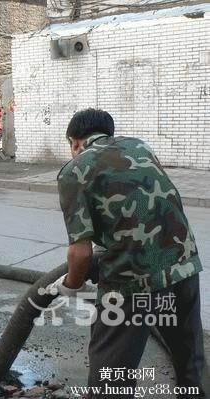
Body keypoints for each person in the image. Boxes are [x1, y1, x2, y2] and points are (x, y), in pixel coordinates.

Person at [50, 108, 206, 397]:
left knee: (111, 379)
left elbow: (81, 253)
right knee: (190, 362)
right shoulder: (140, 145)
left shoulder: (74, 170)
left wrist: (71, 285)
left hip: (132, 285)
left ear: (74, 141)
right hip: (184, 266)